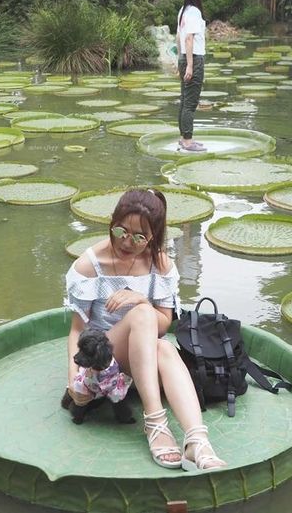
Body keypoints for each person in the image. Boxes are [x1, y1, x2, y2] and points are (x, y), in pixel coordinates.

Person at [64, 189, 226, 471]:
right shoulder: (89, 266)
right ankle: (155, 422)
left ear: (153, 236)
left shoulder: (160, 264)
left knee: (163, 345)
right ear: (112, 223)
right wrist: (73, 379)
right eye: (121, 231)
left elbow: (164, 323)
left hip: (144, 359)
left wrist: (140, 299)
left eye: (139, 237)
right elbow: (77, 331)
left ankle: (196, 441)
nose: (127, 242)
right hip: (103, 359)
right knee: (143, 315)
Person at [176, 0, 207, 152]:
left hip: (185, 57)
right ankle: (188, 141)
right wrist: (189, 65)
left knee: (184, 100)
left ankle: (183, 138)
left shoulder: (183, 10)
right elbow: (188, 38)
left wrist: (180, 61)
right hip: (194, 59)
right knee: (190, 103)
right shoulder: (194, 11)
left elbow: (178, 37)